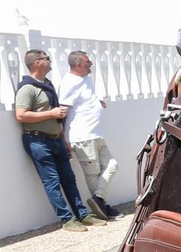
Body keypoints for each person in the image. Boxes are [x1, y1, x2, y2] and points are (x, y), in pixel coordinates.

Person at [15, 49, 106, 233]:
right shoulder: (27, 88)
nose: (50, 60)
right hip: (38, 141)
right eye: (46, 58)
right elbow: (21, 115)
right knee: (52, 181)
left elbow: (57, 117)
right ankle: (67, 219)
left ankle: (82, 215)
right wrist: (51, 113)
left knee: (69, 179)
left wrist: (63, 138)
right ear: (37, 63)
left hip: (56, 139)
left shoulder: (47, 84)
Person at [59, 50, 119, 220]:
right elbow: (63, 110)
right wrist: (63, 139)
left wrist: (96, 102)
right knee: (93, 175)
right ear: (78, 65)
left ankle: (98, 200)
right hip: (82, 136)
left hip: (96, 134)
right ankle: (101, 208)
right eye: (87, 61)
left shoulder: (85, 78)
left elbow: (83, 99)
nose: (91, 63)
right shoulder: (69, 82)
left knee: (112, 165)